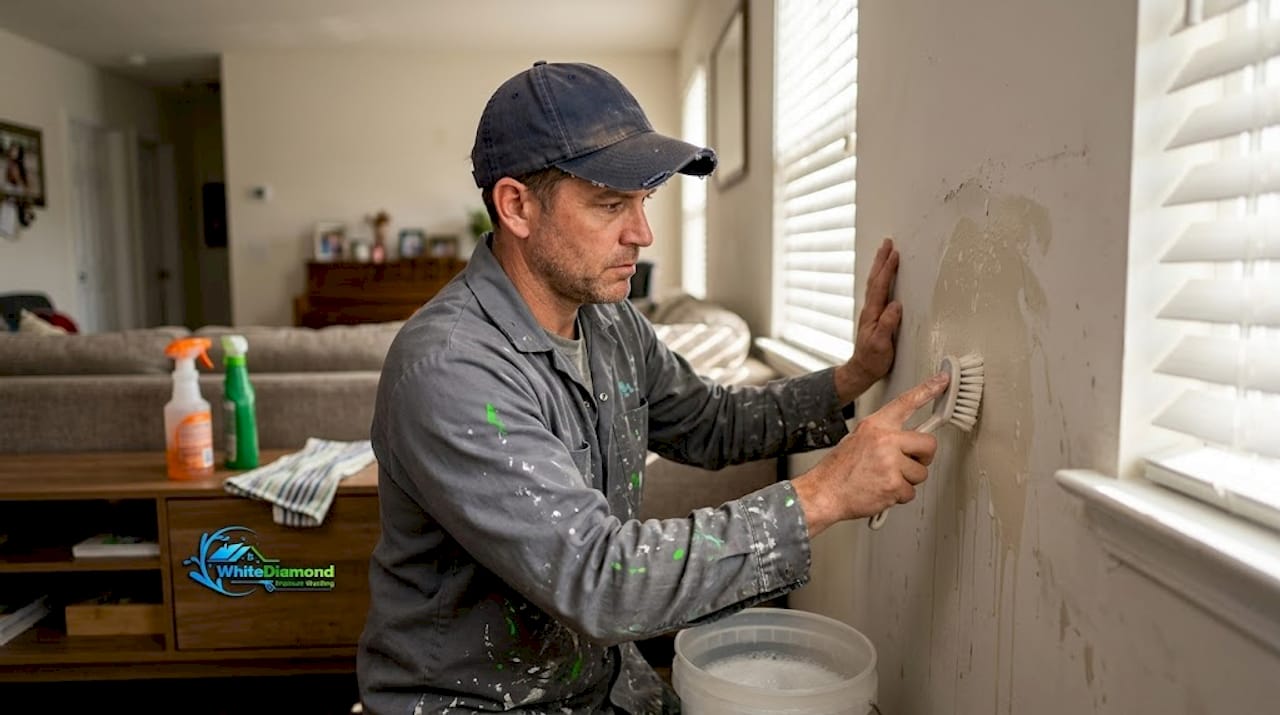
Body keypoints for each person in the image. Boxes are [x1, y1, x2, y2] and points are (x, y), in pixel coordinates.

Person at [357, 61, 949, 714]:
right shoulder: (449, 370)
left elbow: (710, 420)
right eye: (611, 204)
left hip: (601, 680)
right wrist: (827, 490)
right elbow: (603, 577)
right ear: (516, 206)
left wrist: (854, 374)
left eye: (643, 202)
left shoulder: (609, 320)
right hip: (471, 703)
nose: (643, 234)